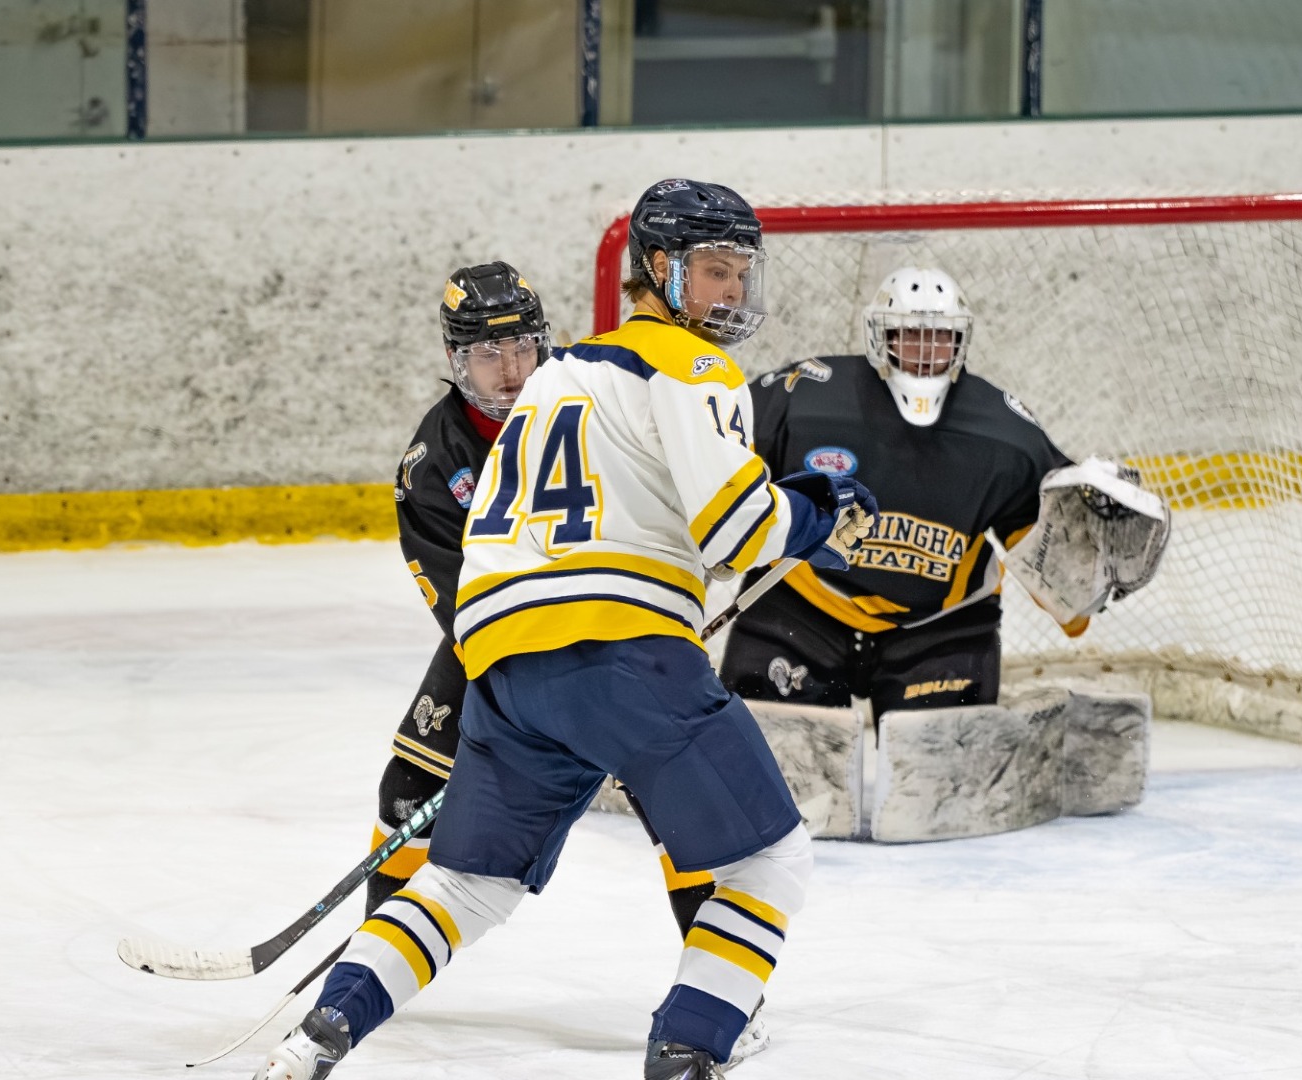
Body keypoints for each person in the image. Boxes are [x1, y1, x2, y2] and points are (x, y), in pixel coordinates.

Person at [252, 178, 876, 1080]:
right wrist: (813, 517)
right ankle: (690, 1049)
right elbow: (739, 533)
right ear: (661, 270)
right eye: (713, 271)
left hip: (506, 674)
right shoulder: (695, 367)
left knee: (468, 882)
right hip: (622, 657)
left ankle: (322, 1031)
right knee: (769, 858)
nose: (732, 293)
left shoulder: (555, 383)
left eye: (741, 272)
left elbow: (525, 548)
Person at [372, 259, 765, 1060]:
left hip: (616, 626)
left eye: (522, 348)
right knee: (408, 781)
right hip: (505, 640)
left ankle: (722, 989)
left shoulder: (586, 390)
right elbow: (464, 608)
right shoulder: (433, 463)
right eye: (490, 356)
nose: (511, 370)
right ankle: (377, 955)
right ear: (456, 361)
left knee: (676, 802)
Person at [719, 266, 1082, 715]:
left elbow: (1052, 538)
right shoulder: (807, 399)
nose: (926, 349)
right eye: (910, 333)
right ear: (880, 336)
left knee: (942, 775)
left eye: (941, 335)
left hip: (942, 627)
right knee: (772, 757)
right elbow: (717, 456)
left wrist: (1083, 584)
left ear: (961, 340)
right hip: (802, 606)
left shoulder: (1004, 435)